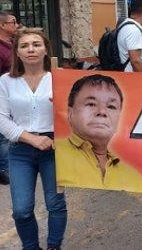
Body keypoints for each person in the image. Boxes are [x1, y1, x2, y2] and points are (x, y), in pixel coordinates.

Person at [0, 29, 66, 250]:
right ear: (17, 52)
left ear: (46, 49)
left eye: (36, 44)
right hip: (20, 149)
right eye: (24, 45)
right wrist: (31, 139)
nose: (31, 49)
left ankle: (54, 246)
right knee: (21, 209)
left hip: (56, 147)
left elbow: (79, 114)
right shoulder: (6, 82)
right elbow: (1, 119)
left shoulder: (61, 78)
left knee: (55, 204)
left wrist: (63, 107)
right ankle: (30, 247)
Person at [55, 74, 142, 193]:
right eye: (91, 104)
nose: (102, 112)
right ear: (70, 113)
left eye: (111, 106)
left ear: (119, 120)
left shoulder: (134, 176)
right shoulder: (54, 153)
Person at [0, 10, 20, 185]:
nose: (17, 25)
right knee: (3, 135)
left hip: (17, 93)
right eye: (13, 22)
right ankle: (4, 169)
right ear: (2, 25)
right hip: (3, 95)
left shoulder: (14, 43)